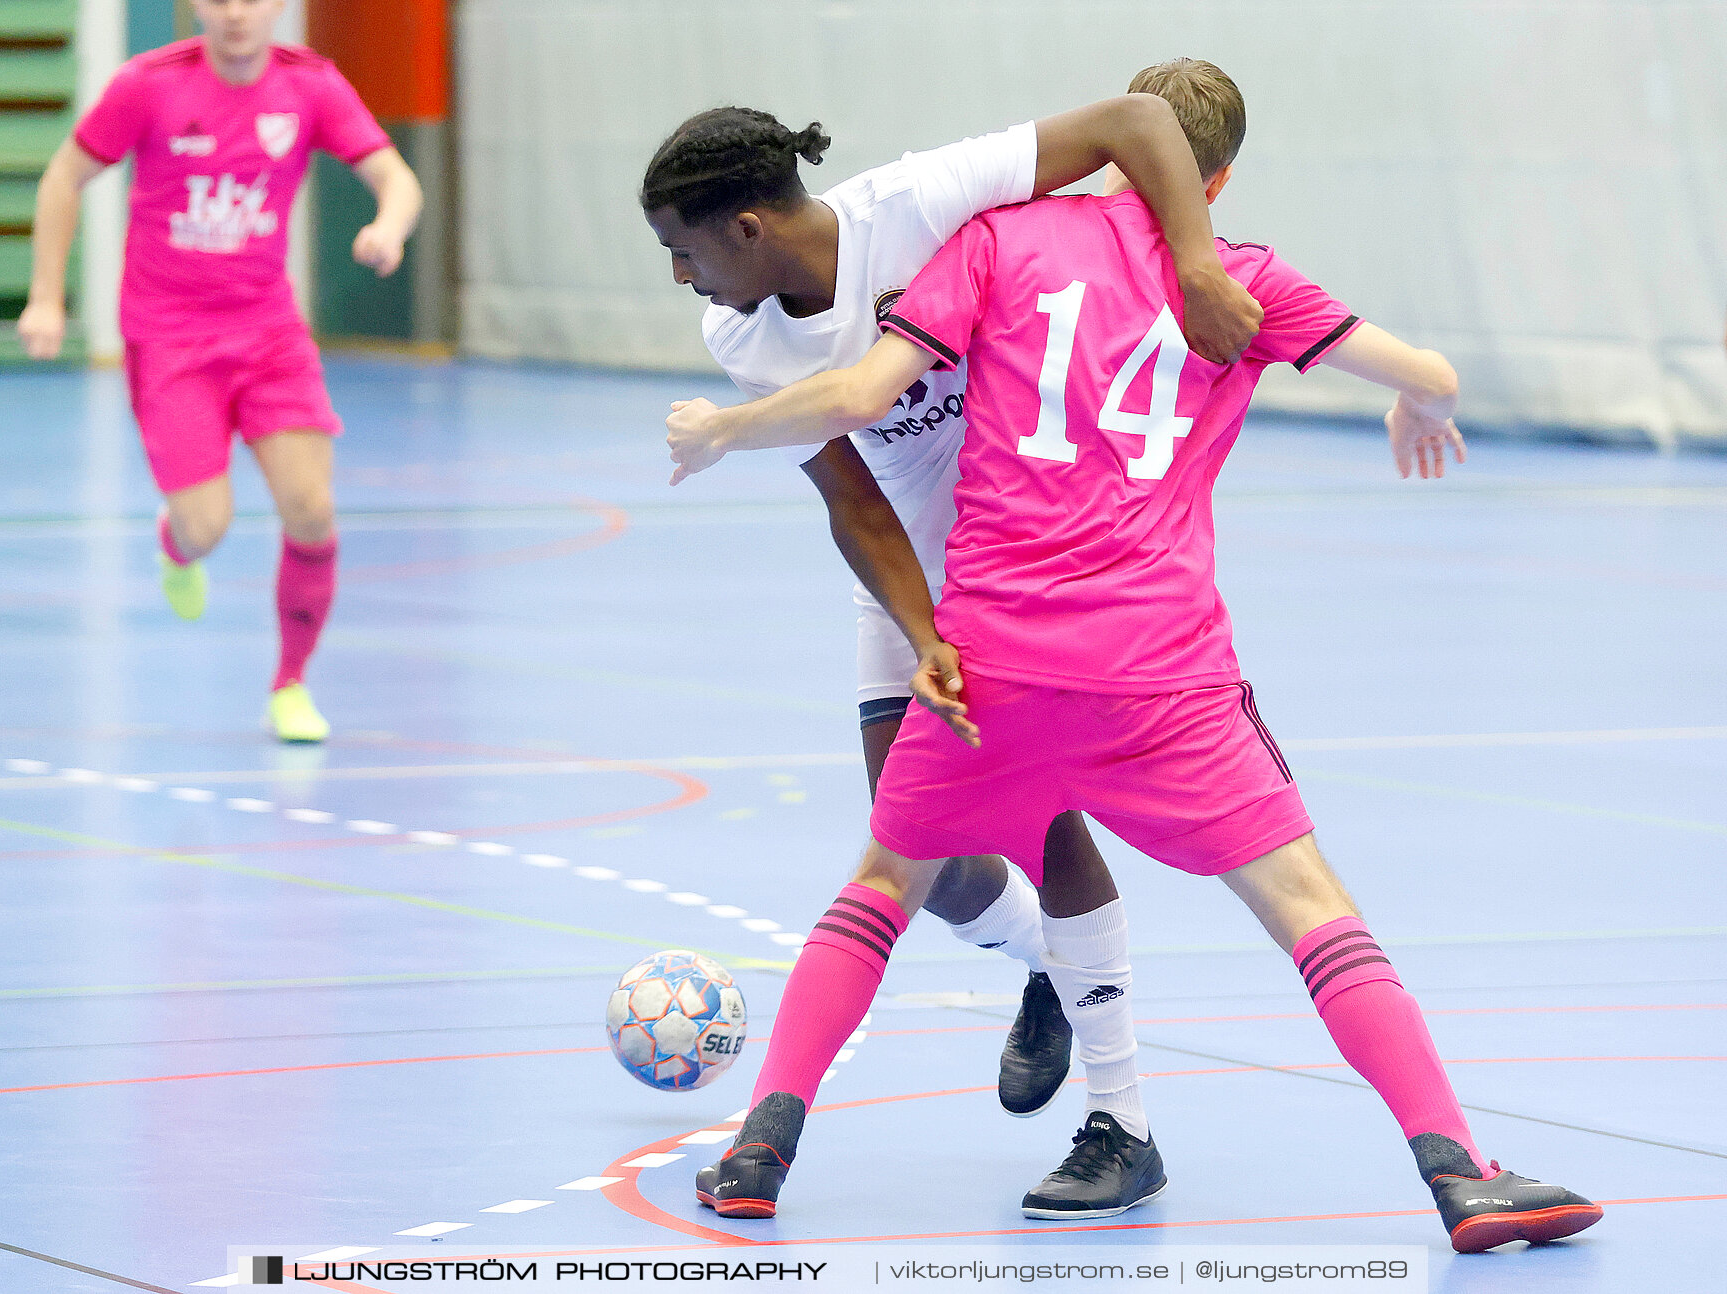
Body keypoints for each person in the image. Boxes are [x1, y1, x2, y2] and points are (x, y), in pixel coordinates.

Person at [668, 59, 1604, 1255]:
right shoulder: (1250, 281)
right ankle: (1458, 1168)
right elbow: (1435, 374)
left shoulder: (996, 240)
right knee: (1313, 911)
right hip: (1160, 668)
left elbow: (853, 390)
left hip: (988, 649)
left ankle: (761, 1148)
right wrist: (1419, 404)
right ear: (1213, 183)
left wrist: (723, 430)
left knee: (879, 890)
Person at [641, 93, 1262, 1158]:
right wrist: (925, 633)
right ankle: (1045, 966)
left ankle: (1117, 1110)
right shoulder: (736, 330)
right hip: (913, 572)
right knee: (922, 833)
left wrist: (1198, 264)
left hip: (1037, 553)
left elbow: (1140, 119)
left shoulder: (918, 204)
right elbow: (854, 501)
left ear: (746, 226)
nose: (680, 277)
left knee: (1042, 814)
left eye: (681, 250)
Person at [18, 0, 423, 742]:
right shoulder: (148, 85)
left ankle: (291, 684)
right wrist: (47, 298)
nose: (237, 12)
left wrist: (386, 227)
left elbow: (398, 178)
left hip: (270, 335)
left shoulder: (312, 86)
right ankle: (177, 546)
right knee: (207, 526)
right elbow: (61, 180)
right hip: (170, 339)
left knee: (312, 509)